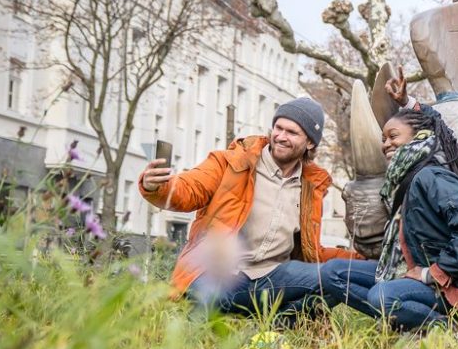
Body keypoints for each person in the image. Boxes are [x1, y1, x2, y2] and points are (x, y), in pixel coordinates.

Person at [139, 97, 360, 324]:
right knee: (213, 297)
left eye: (292, 132)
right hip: (220, 277)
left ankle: (276, 326)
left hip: (273, 278)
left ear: (310, 143)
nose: (281, 137)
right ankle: (234, 318)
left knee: (340, 276)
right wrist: (157, 186)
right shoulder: (231, 162)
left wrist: (364, 260)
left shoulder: (311, 187)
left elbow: (311, 250)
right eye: (278, 128)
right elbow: (189, 190)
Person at [320, 68, 458, 331]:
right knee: (333, 272)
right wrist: (406, 103)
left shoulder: (429, 176)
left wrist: (435, 272)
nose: (385, 145)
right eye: (383, 139)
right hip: (411, 271)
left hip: (448, 285)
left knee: (382, 297)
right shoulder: (403, 180)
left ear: (420, 139)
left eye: (393, 137)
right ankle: (411, 322)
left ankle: (451, 330)